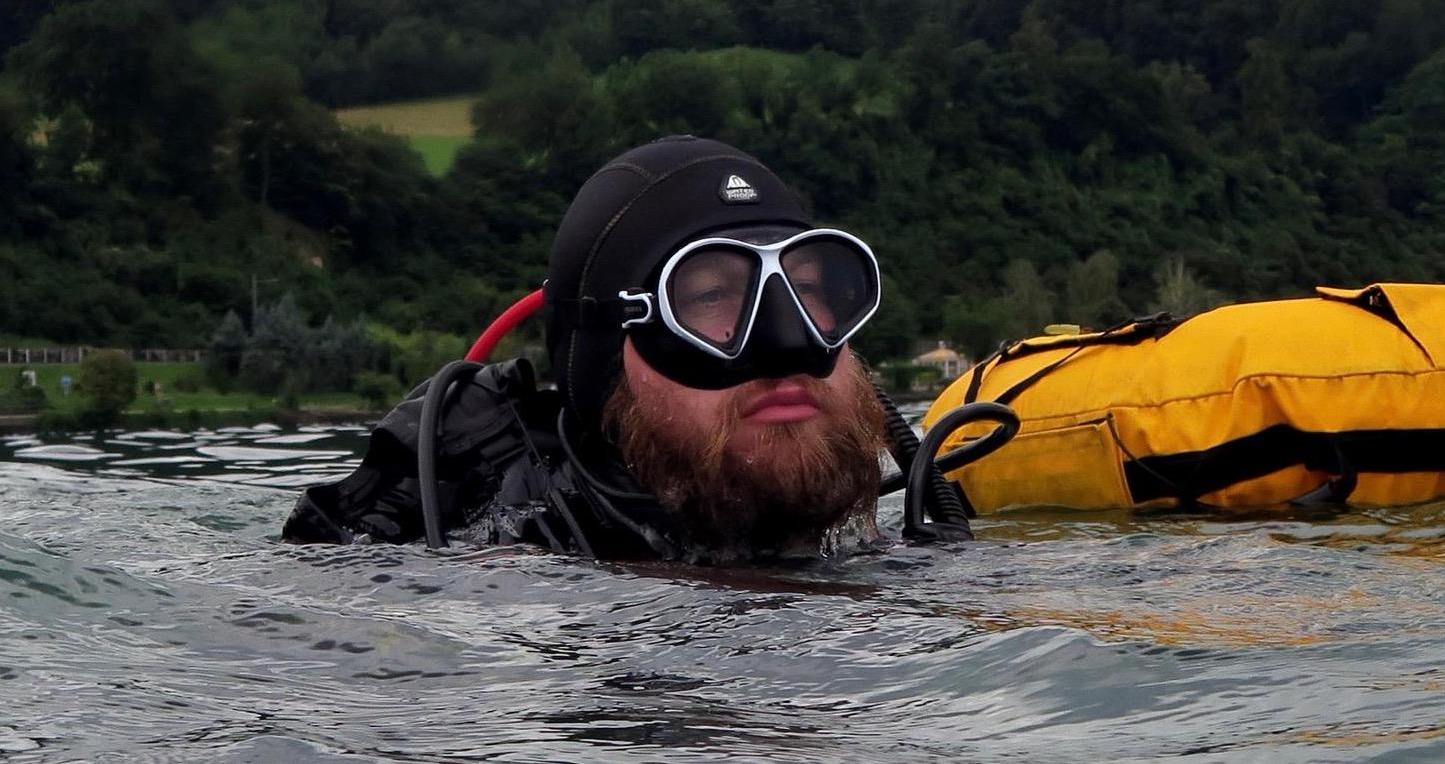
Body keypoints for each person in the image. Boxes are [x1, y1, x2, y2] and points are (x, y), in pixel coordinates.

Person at [282, 135, 955, 563]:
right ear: (606, 360)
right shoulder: (504, 576)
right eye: (712, 297)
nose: (787, 343)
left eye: (807, 288)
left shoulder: (917, 545)